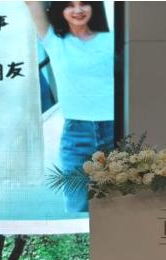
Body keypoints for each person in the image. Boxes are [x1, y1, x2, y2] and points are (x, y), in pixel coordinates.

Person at [25, 1, 115, 212]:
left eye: (84, 3)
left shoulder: (112, 39)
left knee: (123, 207)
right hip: (77, 136)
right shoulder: (54, 41)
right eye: (69, 5)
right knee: (77, 207)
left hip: (116, 130)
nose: (78, 10)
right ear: (60, 10)